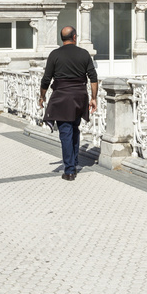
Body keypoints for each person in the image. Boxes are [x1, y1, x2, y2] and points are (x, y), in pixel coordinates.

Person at [38, 26, 98, 181]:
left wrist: (42, 96)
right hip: (79, 97)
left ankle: (70, 170)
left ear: (61, 38)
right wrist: (94, 98)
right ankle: (75, 162)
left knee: (65, 132)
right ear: (75, 37)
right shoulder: (84, 54)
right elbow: (93, 78)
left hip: (62, 98)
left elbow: (46, 79)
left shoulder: (55, 55)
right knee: (74, 128)